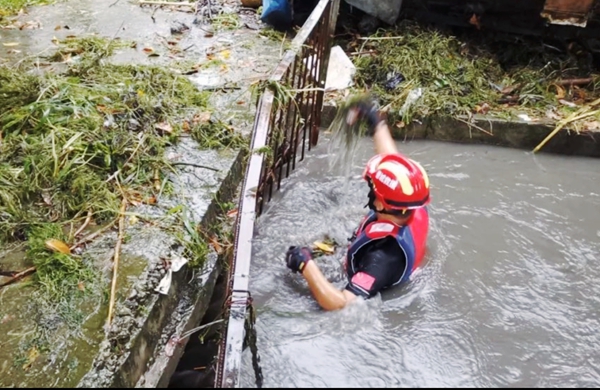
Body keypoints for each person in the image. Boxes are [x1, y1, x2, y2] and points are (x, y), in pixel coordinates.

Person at [284, 98, 431, 311]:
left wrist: (306, 265)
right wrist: (375, 122)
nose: (369, 188)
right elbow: (392, 160)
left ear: (381, 202)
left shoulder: (380, 260)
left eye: (372, 187)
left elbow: (340, 303)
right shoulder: (411, 203)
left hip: (378, 272)